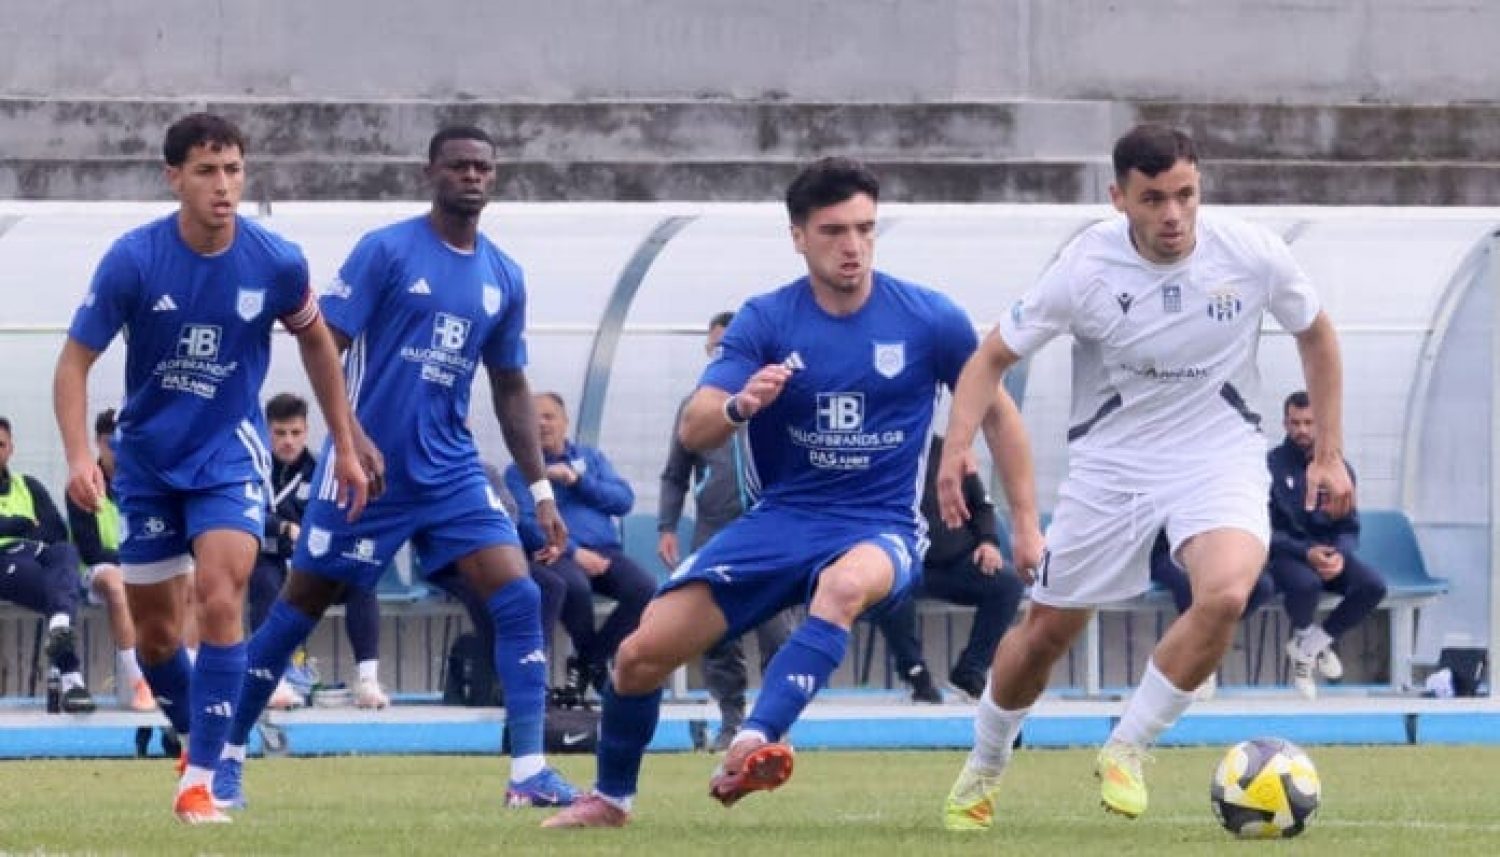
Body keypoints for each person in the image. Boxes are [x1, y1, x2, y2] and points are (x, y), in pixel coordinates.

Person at [543, 156, 1037, 829]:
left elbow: (1000, 414)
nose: (853, 245)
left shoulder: (929, 319)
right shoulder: (767, 319)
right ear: (798, 236)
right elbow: (695, 425)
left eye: (864, 228)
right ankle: (611, 799)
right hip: (780, 520)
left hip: (879, 525)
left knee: (841, 587)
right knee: (637, 656)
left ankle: (754, 737)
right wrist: (741, 405)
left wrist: (1025, 525)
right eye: (833, 230)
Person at [937, 123, 1352, 830]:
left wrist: (1328, 453)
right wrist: (956, 449)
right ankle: (985, 762)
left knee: (1226, 592)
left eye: (1186, 195)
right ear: (1119, 198)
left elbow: (1316, 333)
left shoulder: (1251, 253)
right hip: (1113, 462)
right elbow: (991, 357)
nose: (1173, 214)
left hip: (1218, 453)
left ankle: (1128, 746)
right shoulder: (1085, 267)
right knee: (1045, 632)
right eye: (1154, 199)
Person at [212, 125, 578, 813]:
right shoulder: (385, 250)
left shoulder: (504, 276)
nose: (472, 176)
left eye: (483, 167)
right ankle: (225, 754)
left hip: (451, 470)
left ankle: (529, 770)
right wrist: (348, 438)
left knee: (520, 594)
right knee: (298, 609)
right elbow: (324, 343)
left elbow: (509, 386)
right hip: (365, 469)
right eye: (458, 165)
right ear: (429, 172)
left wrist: (539, 490)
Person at [53, 112, 372, 824]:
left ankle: (205, 777)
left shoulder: (276, 260)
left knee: (222, 595)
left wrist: (346, 443)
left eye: (233, 169)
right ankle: (202, 735)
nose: (223, 185)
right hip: (148, 462)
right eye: (206, 171)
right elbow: (73, 364)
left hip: (229, 455)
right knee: (157, 636)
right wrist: (78, 455)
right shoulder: (134, 260)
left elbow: (317, 343)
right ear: (174, 178)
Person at [658, 311, 795, 746]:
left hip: (770, 528)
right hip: (714, 530)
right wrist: (666, 525)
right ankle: (731, 718)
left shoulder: (780, 398)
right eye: (715, 346)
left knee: (777, 630)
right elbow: (675, 473)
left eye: (729, 346)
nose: (723, 353)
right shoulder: (696, 406)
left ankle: (774, 723)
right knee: (716, 630)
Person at [505, 392, 656, 701]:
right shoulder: (519, 470)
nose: (542, 424)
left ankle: (589, 661)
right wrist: (573, 551)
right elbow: (526, 525)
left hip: (605, 551)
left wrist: (577, 482)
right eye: (534, 418)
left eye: (549, 416)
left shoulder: (591, 458)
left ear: (565, 422)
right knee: (574, 586)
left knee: (645, 588)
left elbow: (623, 501)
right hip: (555, 554)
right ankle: (593, 665)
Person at [251, 392, 387, 710]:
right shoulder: (253, 467)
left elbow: (341, 516)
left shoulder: (323, 470)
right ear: (267, 432)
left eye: (295, 432)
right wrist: (283, 527)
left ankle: (368, 680)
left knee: (361, 581)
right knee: (265, 580)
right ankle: (272, 680)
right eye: (280, 433)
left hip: (313, 563)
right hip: (268, 558)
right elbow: (241, 512)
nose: (288, 441)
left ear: (306, 431)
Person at [874, 434, 1025, 703]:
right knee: (889, 586)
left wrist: (988, 542)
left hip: (956, 563)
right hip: (903, 564)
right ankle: (916, 676)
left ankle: (970, 672)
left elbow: (982, 506)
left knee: (1008, 584)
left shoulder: (949, 451)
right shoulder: (878, 452)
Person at [1267, 390, 1387, 699]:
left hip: (1329, 554)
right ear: (1285, 424)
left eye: (1309, 423)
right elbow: (1264, 531)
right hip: (1286, 555)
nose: (1302, 430)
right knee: (1306, 584)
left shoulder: (1339, 469)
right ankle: (1312, 648)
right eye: (1295, 423)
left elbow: (1349, 526)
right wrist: (1305, 552)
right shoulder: (1269, 467)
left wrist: (1340, 555)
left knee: (1373, 585)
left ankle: (1309, 647)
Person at [0, 416, 96, 713]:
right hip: (5, 561)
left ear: (10, 448)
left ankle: (59, 627)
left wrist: (17, 527)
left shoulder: (27, 485)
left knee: (66, 552)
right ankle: (72, 682)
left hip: (40, 554)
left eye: (0, 444)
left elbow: (56, 530)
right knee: (58, 591)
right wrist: (22, 523)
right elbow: (25, 526)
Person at [64, 408, 153, 711]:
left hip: (138, 567)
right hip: (95, 572)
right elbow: (90, 550)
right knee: (116, 583)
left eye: (122, 439)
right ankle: (139, 683)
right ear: (97, 443)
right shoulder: (83, 483)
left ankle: (186, 677)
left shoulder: (146, 482)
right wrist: (134, 562)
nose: (116, 447)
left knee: (188, 578)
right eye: (109, 441)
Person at [1147, 529, 1274, 699]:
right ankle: (1196, 663)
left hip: (1215, 549)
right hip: (1166, 551)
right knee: (1188, 584)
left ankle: (1208, 641)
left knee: (1262, 586)